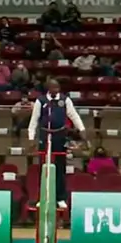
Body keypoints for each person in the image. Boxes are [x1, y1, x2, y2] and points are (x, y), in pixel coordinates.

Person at [27, 78, 86, 209]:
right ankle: (42, 197)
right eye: (53, 88)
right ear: (48, 88)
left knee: (60, 166)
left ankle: (60, 197)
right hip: (44, 134)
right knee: (44, 167)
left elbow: (74, 115)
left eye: (57, 88)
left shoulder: (65, 100)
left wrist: (82, 130)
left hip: (60, 135)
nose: (55, 90)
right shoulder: (40, 101)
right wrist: (31, 138)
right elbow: (34, 120)